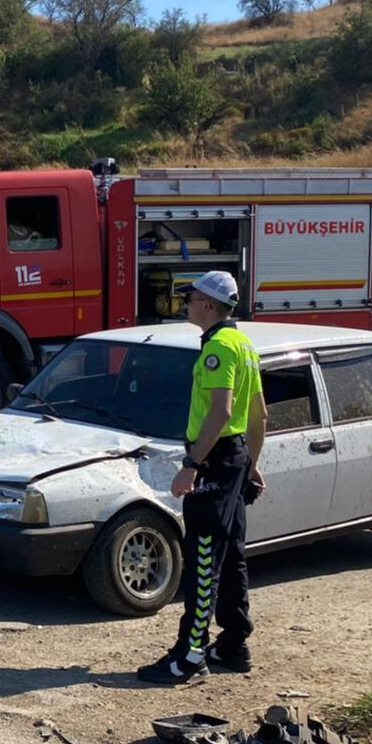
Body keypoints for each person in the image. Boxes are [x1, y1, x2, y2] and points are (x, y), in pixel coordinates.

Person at [138, 270, 267, 685]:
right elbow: (259, 414)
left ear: (208, 305)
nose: (186, 303)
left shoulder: (218, 350)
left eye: (191, 298)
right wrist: (252, 464)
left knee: (204, 559)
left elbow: (222, 412)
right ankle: (234, 643)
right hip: (234, 458)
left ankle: (190, 657)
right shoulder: (244, 345)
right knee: (231, 556)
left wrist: (192, 464)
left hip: (212, 460)